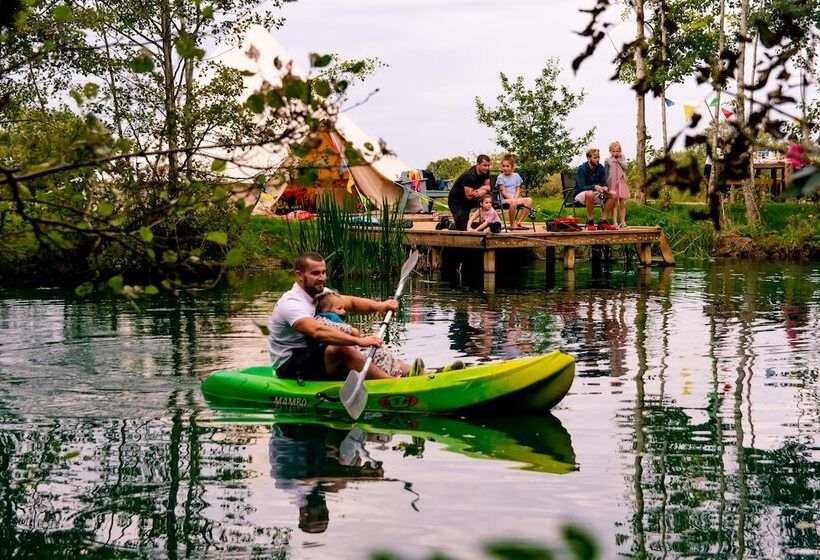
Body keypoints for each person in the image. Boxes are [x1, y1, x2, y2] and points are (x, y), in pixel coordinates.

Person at [267, 252, 401, 381]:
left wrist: (380, 306)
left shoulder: (321, 293)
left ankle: (414, 374)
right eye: (315, 273)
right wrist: (360, 340)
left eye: (323, 272)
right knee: (340, 349)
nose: (322, 278)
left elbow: (352, 303)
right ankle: (393, 384)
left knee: (373, 349)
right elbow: (317, 331)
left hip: (314, 351)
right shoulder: (292, 303)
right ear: (299, 275)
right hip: (290, 364)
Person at [314, 289, 424, 377]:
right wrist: (352, 331)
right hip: (326, 359)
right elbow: (326, 329)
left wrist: (379, 305)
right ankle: (392, 381)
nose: (344, 311)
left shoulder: (327, 295)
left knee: (382, 352)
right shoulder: (322, 318)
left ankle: (410, 374)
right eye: (340, 308)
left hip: (351, 348)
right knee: (373, 355)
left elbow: (352, 303)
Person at [437, 154, 492, 231]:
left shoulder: (486, 172)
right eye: (484, 165)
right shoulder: (469, 175)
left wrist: (481, 191)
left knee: (489, 199)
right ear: (478, 164)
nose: (487, 168)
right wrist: (483, 189)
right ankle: (446, 223)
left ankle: (488, 223)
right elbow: (469, 196)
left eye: (488, 166)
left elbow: (488, 187)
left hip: (471, 198)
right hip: (457, 201)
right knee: (463, 228)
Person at [575, 147, 617, 231]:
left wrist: (605, 187)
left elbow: (603, 182)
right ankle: (590, 221)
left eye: (598, 157)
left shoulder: (600, 167)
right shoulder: (582, 169)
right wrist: (594, 187)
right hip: (580, 195)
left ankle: (603, 221)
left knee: (613, 195)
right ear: (588, 158)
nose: (597, 159)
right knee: (590, 193)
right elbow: (580, 187)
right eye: (595, 158)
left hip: (595, 193)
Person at [495, 154, 532, 230]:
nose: (505, 168)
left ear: (512, 167)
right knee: (514, 202)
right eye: (503, 166)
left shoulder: (516, 176)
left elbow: (518, 189)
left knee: (529, 200)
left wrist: (515, 198)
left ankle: (519, 221)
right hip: (503, 200)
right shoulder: (500, 177)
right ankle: (512, 224)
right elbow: (503, 192)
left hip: (514, 198)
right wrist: (514, 200)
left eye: (507, 166)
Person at [604, 141, 630, 229]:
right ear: (610, 151)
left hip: (621, 181)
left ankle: (623, 221)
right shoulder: (607, 160)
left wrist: (619, 159)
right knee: (614, 202)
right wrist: (606, 184)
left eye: (617, 151)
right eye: (613, 151)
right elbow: (606, 172)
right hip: (612, 182)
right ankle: (614, 221)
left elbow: (626, 167)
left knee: (622, 202)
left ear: (620, 151)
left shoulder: (622, 158)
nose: (615, 153)